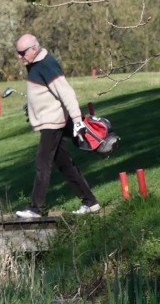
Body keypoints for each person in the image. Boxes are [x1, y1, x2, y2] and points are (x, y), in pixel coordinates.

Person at [13, 34, 101, 218]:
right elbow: (44, 93)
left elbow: (66, 92)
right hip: (51, 120)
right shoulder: (35, 64)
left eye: (22, 53)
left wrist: (77, 121)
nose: (19, 57)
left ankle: (35, 208)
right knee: (65, 165)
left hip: (53, 123)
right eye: (18, 53)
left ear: (34, 49)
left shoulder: (46, 64)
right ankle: (90, 202)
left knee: (42, 163)